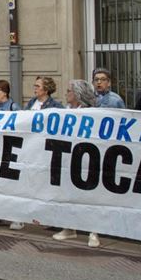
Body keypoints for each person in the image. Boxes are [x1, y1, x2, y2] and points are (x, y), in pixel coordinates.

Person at [52, 79, 101, 248]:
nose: (66, 94)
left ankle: (93, 231)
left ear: (78, 95)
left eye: (69, 91)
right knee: (68, 194)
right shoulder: (65, 111)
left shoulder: (91, 112)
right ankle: (69, 227)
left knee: (89, 196)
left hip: (86, 158)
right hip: (67, 157)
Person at [0, 80, 23, 230]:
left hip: (10, 150)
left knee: (11, 186)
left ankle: (16, 218)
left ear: (5, 93)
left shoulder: (13, 107)